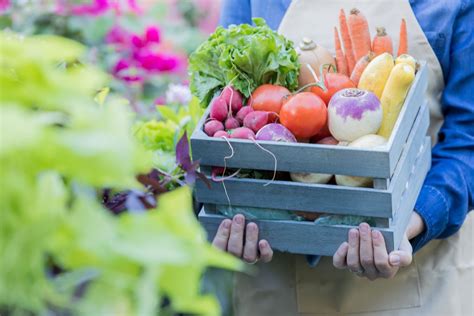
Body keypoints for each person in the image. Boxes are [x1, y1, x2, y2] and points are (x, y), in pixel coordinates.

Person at [212, 0, 474, 315]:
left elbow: (467, 141)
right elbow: (227, 99)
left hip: (408, 282)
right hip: (277, 280)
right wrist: (230, 210)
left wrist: (410, 223)